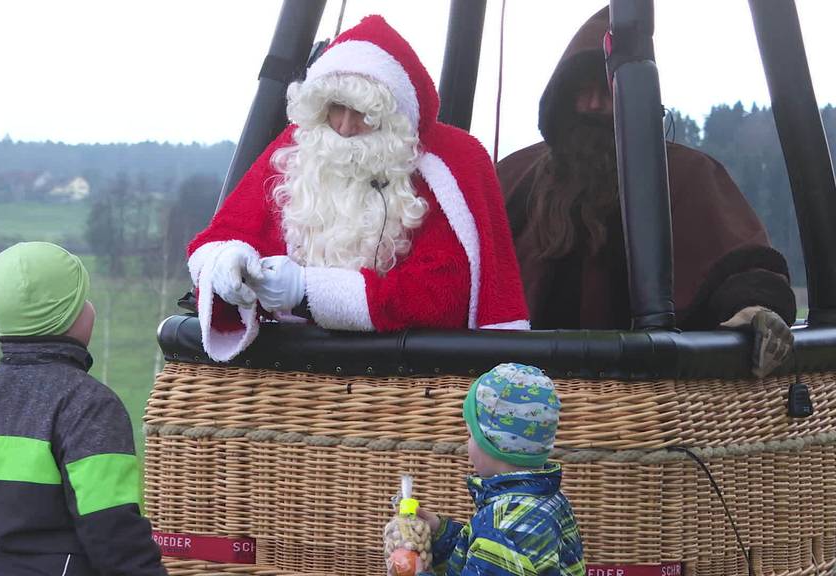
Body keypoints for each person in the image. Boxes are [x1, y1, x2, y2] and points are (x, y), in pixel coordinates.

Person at [187, 15, 529, 362]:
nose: (346, 127)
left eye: (363, 112)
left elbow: (443, 294)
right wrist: (226, 264)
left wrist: (308, 291)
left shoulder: (444, 169)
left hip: (404, 378)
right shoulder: (300, 149)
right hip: (287, 378)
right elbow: (222, 235)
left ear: (392, 117)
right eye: (336, 108)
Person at [497, 7, 796, 378]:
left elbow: (739, 263)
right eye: (581, 91)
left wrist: (754, 309)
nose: (592, 105)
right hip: (517, 396)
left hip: (650, 402)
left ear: (632, 95)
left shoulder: (688, 175)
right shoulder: (514, 176)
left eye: (604, 90)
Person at [0, 242, 167, 576]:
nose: (90, 307)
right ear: (67, 315)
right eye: (81, 299)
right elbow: (111, 527)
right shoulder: (92, 406)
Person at [402, 363, 585, 576]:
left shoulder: (505, 524)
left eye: (471, 435)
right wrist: (444, 536)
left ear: (490, 443)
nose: (466, 443)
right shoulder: (547, 500)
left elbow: (497, 554)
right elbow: (487, 562)